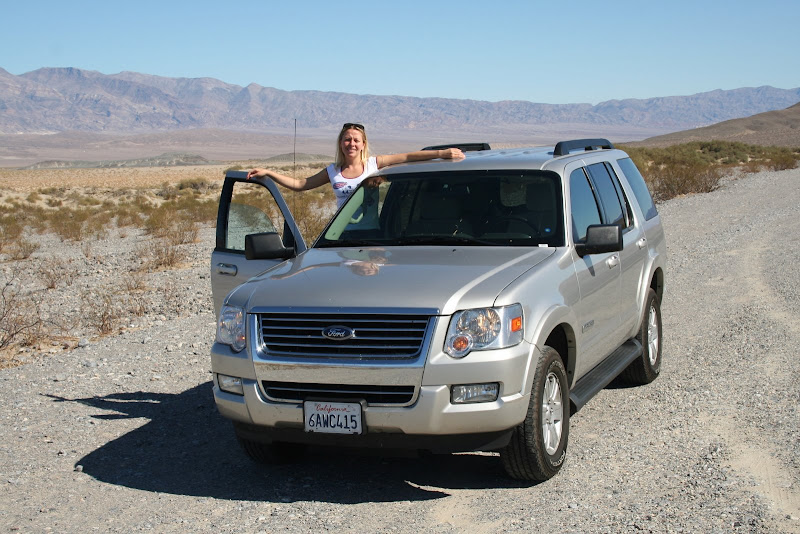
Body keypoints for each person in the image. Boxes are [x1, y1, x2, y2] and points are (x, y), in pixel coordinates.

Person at [247, 123, 465, 208]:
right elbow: (301, 184)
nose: (351, 143)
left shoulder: (374, 164)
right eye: (347, 139)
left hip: (371, 232)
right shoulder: (333, 171)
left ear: (363, 144)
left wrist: (442, 153)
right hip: (343, 235)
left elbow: (407, 157)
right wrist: (269, 173)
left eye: (356, 140)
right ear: (341, 143)